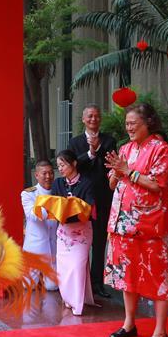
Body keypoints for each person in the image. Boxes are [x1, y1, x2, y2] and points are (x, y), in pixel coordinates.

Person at [104, 103, 168, 337]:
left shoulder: (160, 148)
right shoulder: (125, 148)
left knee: (157, 276)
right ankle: (129, 323)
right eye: (127, 124)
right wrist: (115, 173)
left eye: (133, 123)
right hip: (122, 224)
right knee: (127, 275)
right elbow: (114, 185)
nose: (129, 128)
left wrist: (127, 171)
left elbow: (158, 184)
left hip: (150, 225)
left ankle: (160, 333)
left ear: (148, 123)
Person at [68, 104, 117, 298]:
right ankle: (78, 281)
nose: (93, 119)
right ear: (83, 119)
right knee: (79, 241)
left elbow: (111, 165)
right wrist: (90, 153)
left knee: (98, 242)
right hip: (81, 199)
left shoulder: (109, 141)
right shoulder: (75, 142)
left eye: (96, 116)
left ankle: (97, 283)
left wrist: (99, 149)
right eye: (90, 116)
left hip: (103, 197)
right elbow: (73, 166)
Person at [51, 149, 97, 315]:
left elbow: (90, 207)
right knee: (63, 268)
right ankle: (68, 298)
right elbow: (54, 205)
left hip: (81, 231)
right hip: (64, 232)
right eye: (59, 166)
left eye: (63, 164)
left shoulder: (87, 183)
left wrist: (76, 206)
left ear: (74, 163)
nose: (61, 168)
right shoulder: (58, 183)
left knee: (77, 267)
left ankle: (77, 304)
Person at [21, 160, 58, 291]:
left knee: (52, 287)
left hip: (53, 248)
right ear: (36, 175)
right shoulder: (28, 193)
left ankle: (45, 280)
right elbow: (32, 215)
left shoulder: (58, 191)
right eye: (44, 173)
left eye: (51, 173)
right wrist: (52, 205)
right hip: (35, 249)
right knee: (27, 286)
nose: (48, 176)